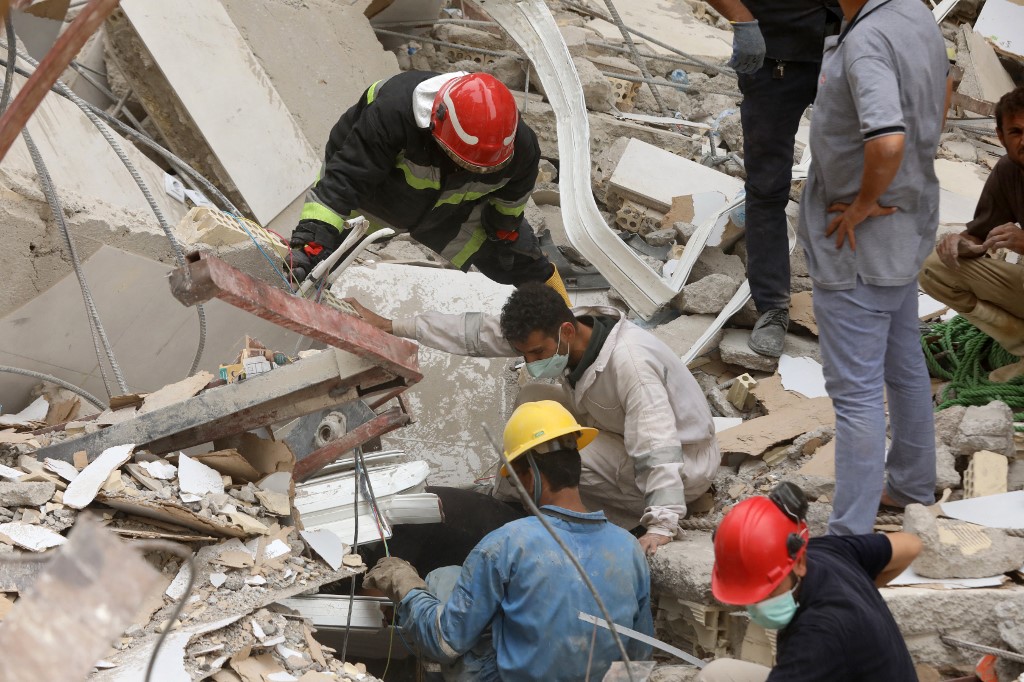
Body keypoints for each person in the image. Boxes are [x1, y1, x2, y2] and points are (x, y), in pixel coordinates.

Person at [347, 281, 719, 555]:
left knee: (548, 448)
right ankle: (517, 500)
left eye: (537, 352)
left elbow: (656, 446)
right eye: (524, 353)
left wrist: (662, 524)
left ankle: (524, 516)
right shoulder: (561, 333)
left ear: (567, 330)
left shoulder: (631, 366)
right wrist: (394, 326)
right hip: (620, 434)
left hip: (682, 464)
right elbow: (475, 333)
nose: (531, 361)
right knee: (534, 400)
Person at [797, 0, 950, 535]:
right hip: (905, 226)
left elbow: (887, 137)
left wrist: (863, 201)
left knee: (856, 393)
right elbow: (944, 88)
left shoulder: (866, 43)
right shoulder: (914, 14)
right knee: (903, 361)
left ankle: (850, 535)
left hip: (860, 239)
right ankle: (910, 482)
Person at [363, 401, 653, 681]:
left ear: (529, 476)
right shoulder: (628, 548)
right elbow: (638, 658)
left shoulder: (507, 544)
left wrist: (405, 585)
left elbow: (444, 641)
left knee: (441, 579)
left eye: (514, 480)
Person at [283, 70, 568, 302]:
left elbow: (511, 201)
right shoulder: (394, 110)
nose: (472, 169)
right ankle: (303, 300)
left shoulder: (523, 148)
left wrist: (505, 233)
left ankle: (565, 315)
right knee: (322, 257)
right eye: (463, 160)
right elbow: (343, 182)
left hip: (453, 202)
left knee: (516, 257)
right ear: (438, 123)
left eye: (483, 168)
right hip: (378, 190)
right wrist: (312, 241)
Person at [705, 0, 841, 357]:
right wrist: (742, 20)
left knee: (851, 183)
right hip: (775, 53)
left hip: (850, 51)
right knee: (767, 186)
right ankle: (773, 307)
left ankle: (854, 305)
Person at [697, 483, 922, 682]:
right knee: (717, 675)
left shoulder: (816, 640)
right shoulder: (828, 551)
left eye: (769, 589)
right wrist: (862, 592)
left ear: (800, 562)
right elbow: (910, 545)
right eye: (749, 594)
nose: (758, 604)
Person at [919, 86, 1024, 383]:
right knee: (935, 270)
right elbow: (980, 234)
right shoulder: (1008, 171)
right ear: (1001, 137)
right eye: (1015, 132)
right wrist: (960, 243)